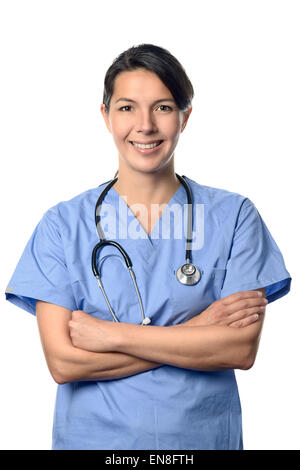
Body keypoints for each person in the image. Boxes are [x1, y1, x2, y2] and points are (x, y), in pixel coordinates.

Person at [5, 43, 291, 450]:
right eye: (126, 108)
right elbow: (64, 363)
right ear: (105, 116)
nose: (145, 125)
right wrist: (198, 330)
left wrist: (109, 335)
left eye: (163, 107)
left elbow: (240, 348)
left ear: (185, 117)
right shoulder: (62, 225)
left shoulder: (235, 216)